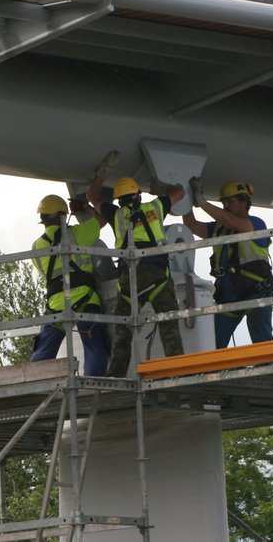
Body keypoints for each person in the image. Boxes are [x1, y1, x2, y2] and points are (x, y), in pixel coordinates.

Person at [87, 151, 186, 377]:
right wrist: (160, 186)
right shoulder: (156, 207)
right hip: (158, 275)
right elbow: (179, 191)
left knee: (123, 329)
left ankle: (117, 375)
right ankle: (180, 371)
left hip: (130, 278)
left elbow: (93, 195)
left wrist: (104, 170)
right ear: (139, 196)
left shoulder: (116, 214)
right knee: (169, 324)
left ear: (119, 199)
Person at [182, 178, 273, 348]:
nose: (226, 206)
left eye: (230, 201)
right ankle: (214, 372)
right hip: (229, 293)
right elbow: (192, 225)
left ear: (244, 202)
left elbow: (233, 222)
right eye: (224, 202)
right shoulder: (219, 228)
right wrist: (183, 201)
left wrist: (202, 203)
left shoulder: (255, 224)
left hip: (256, 292)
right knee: (215, 343)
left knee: (262, 339)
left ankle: (272, 368)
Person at [29, 194, 112, 376]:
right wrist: (84, 208)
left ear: (42, 219)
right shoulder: (77, 234)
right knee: (93, 346)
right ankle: (94, 386)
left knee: (43, 351)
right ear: (62, 216)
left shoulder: (37, 246)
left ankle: (33, 383)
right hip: (86, 299)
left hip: (56, 304)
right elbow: (101, 220)